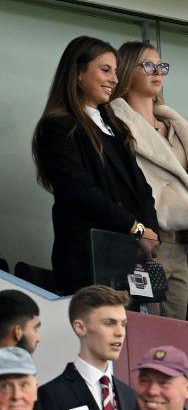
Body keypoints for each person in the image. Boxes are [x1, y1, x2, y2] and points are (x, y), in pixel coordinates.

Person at [32, 36, 159, 295]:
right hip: (86, 259)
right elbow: (79, 190)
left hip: (129, 259)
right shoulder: (58, 126)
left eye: (115, 71)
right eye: (105, 70)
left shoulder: (116, 126)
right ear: (78, 73)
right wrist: (135, 228)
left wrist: (149, 230)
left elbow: (141, 187)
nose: (114, 79)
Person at [109, 41, 188, 320]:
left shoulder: (177, 126)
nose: (158, 72)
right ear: (127, 71)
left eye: (161, 66)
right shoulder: (116, 124)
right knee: (146, 325)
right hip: (148, 239)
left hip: (182, 242)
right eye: (148, 65)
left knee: (176, 332)